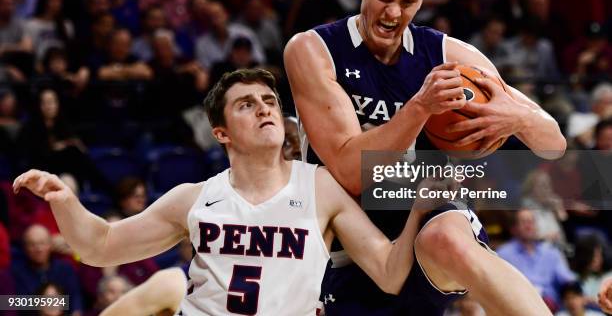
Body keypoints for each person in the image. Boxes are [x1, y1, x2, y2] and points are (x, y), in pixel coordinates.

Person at [284, 0, 566, 315]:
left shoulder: (449, 55)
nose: (393, 14)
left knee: (447, 237)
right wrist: (419, 107)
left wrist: (515, 116)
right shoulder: (313, 49)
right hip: (351, 245)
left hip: (426, 221)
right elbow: (352, 172)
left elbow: (554, 143)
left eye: (408, 1)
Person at [14, 68, 431, 315]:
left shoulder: (320, 186)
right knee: (167, 285)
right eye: (246, 104)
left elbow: (390, 273)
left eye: (268, 100)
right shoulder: (192, 198)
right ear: (221, 132)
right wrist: (65, 201)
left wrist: (418, 211)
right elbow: (101, 246)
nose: (265, 107)